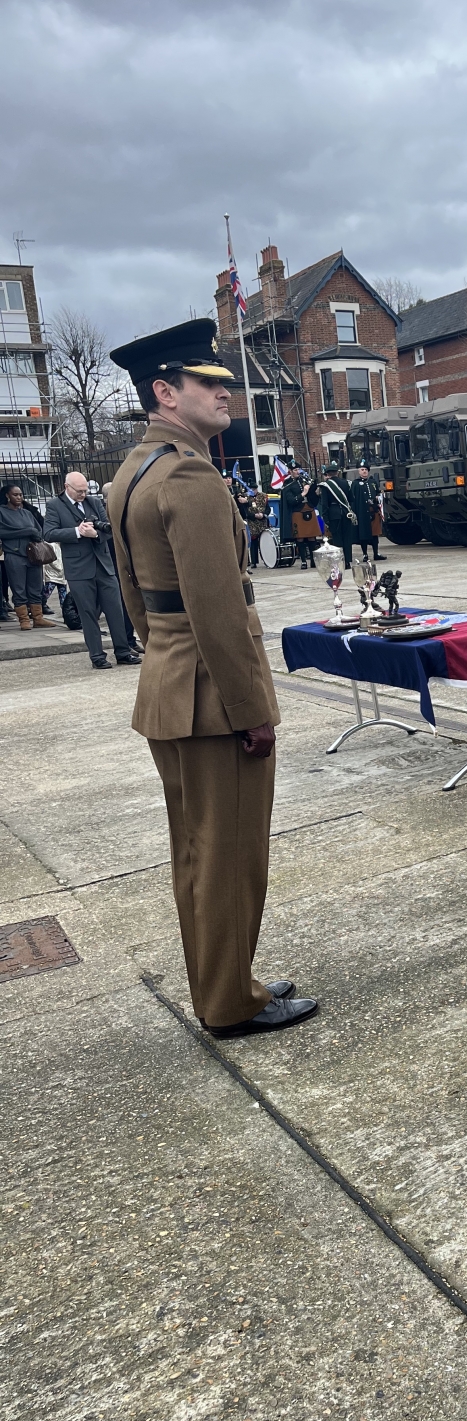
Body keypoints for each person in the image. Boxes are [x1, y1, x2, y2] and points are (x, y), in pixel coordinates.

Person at [107, 318, 317, 1038]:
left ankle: (223, 982)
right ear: (166, 392)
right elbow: (220, 611)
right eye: (210, 383)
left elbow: (138, 600)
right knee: (229, 855)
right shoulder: (190, 475)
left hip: (170, 687)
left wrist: (164, 659)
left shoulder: (132, 472)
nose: (226, 394)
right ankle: (230, 1002)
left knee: (197, 852)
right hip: (211, 700)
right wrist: (252, 708)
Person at [42, 471, 141, 669]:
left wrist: (95, 534)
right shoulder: (55, 506)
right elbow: (49, 533)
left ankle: (123, 651)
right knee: (88, 613)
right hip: (79, 570)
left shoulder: (94, 503)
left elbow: (110, 530)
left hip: (104, 566)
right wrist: (77, 532)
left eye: (85, 490)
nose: (83, 494)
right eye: (79, 491)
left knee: (116, 611)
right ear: (67, 487)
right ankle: (97, 656)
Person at [0, 482, 54, 630]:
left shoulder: (27, 513)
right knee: (18, 588)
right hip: (14, 555)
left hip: (33, 555)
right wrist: (27, 531)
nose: (19, 497)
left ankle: (38, 618)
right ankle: (24, 620)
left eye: (20, 494)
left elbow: (38, 530)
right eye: (15, 495)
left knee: (36, 587)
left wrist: (34, 533)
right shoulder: (2, 512)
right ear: (7, 496)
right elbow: (3, 532)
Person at [317, 461, 358, 573]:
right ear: (337, 473)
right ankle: (348, 561)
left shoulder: (326, 485)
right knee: (347, 538)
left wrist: (325, 519)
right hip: (346, 513)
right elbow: (351, 500)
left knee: (337, 539)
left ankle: (340, 562)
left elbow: (324, 504)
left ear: (328, 474)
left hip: (333, 514)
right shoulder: (347, 483)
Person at [349, 464, 381, 561]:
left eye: (366, 469)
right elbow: (352, 499)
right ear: (359, 471)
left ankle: (376, 553)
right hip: (362, 512)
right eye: (362, 469)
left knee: (375, 533)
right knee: (363, 534)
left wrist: (377, 498)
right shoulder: (355, 483)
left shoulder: (373, 482)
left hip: (373, 510)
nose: (364, 471)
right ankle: (365, 554)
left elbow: (378, 492)